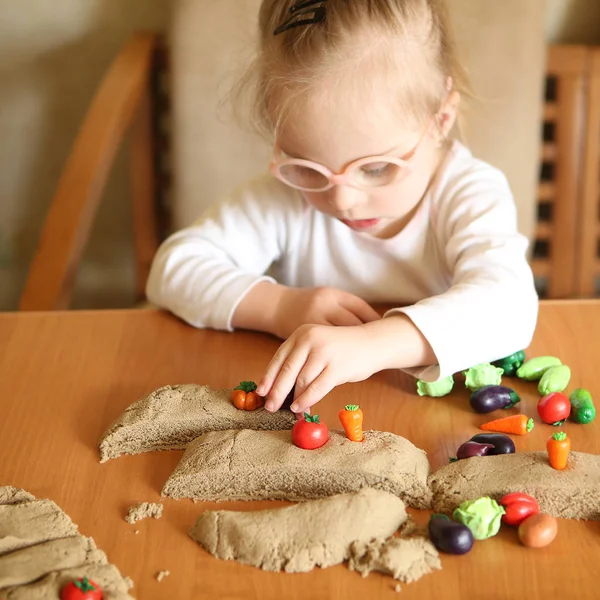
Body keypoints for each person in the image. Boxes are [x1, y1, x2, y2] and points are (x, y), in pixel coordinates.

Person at [146, 0, 538, 416]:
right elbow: (173, 268)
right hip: (321, 414)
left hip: (433, 412)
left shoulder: (468, 191)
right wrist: (279, 307)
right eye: (309, 168)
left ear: (441, 119)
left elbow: (508, 304)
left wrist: (375, 344)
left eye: (375, 168)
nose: (343, 201)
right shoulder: (288, 196)